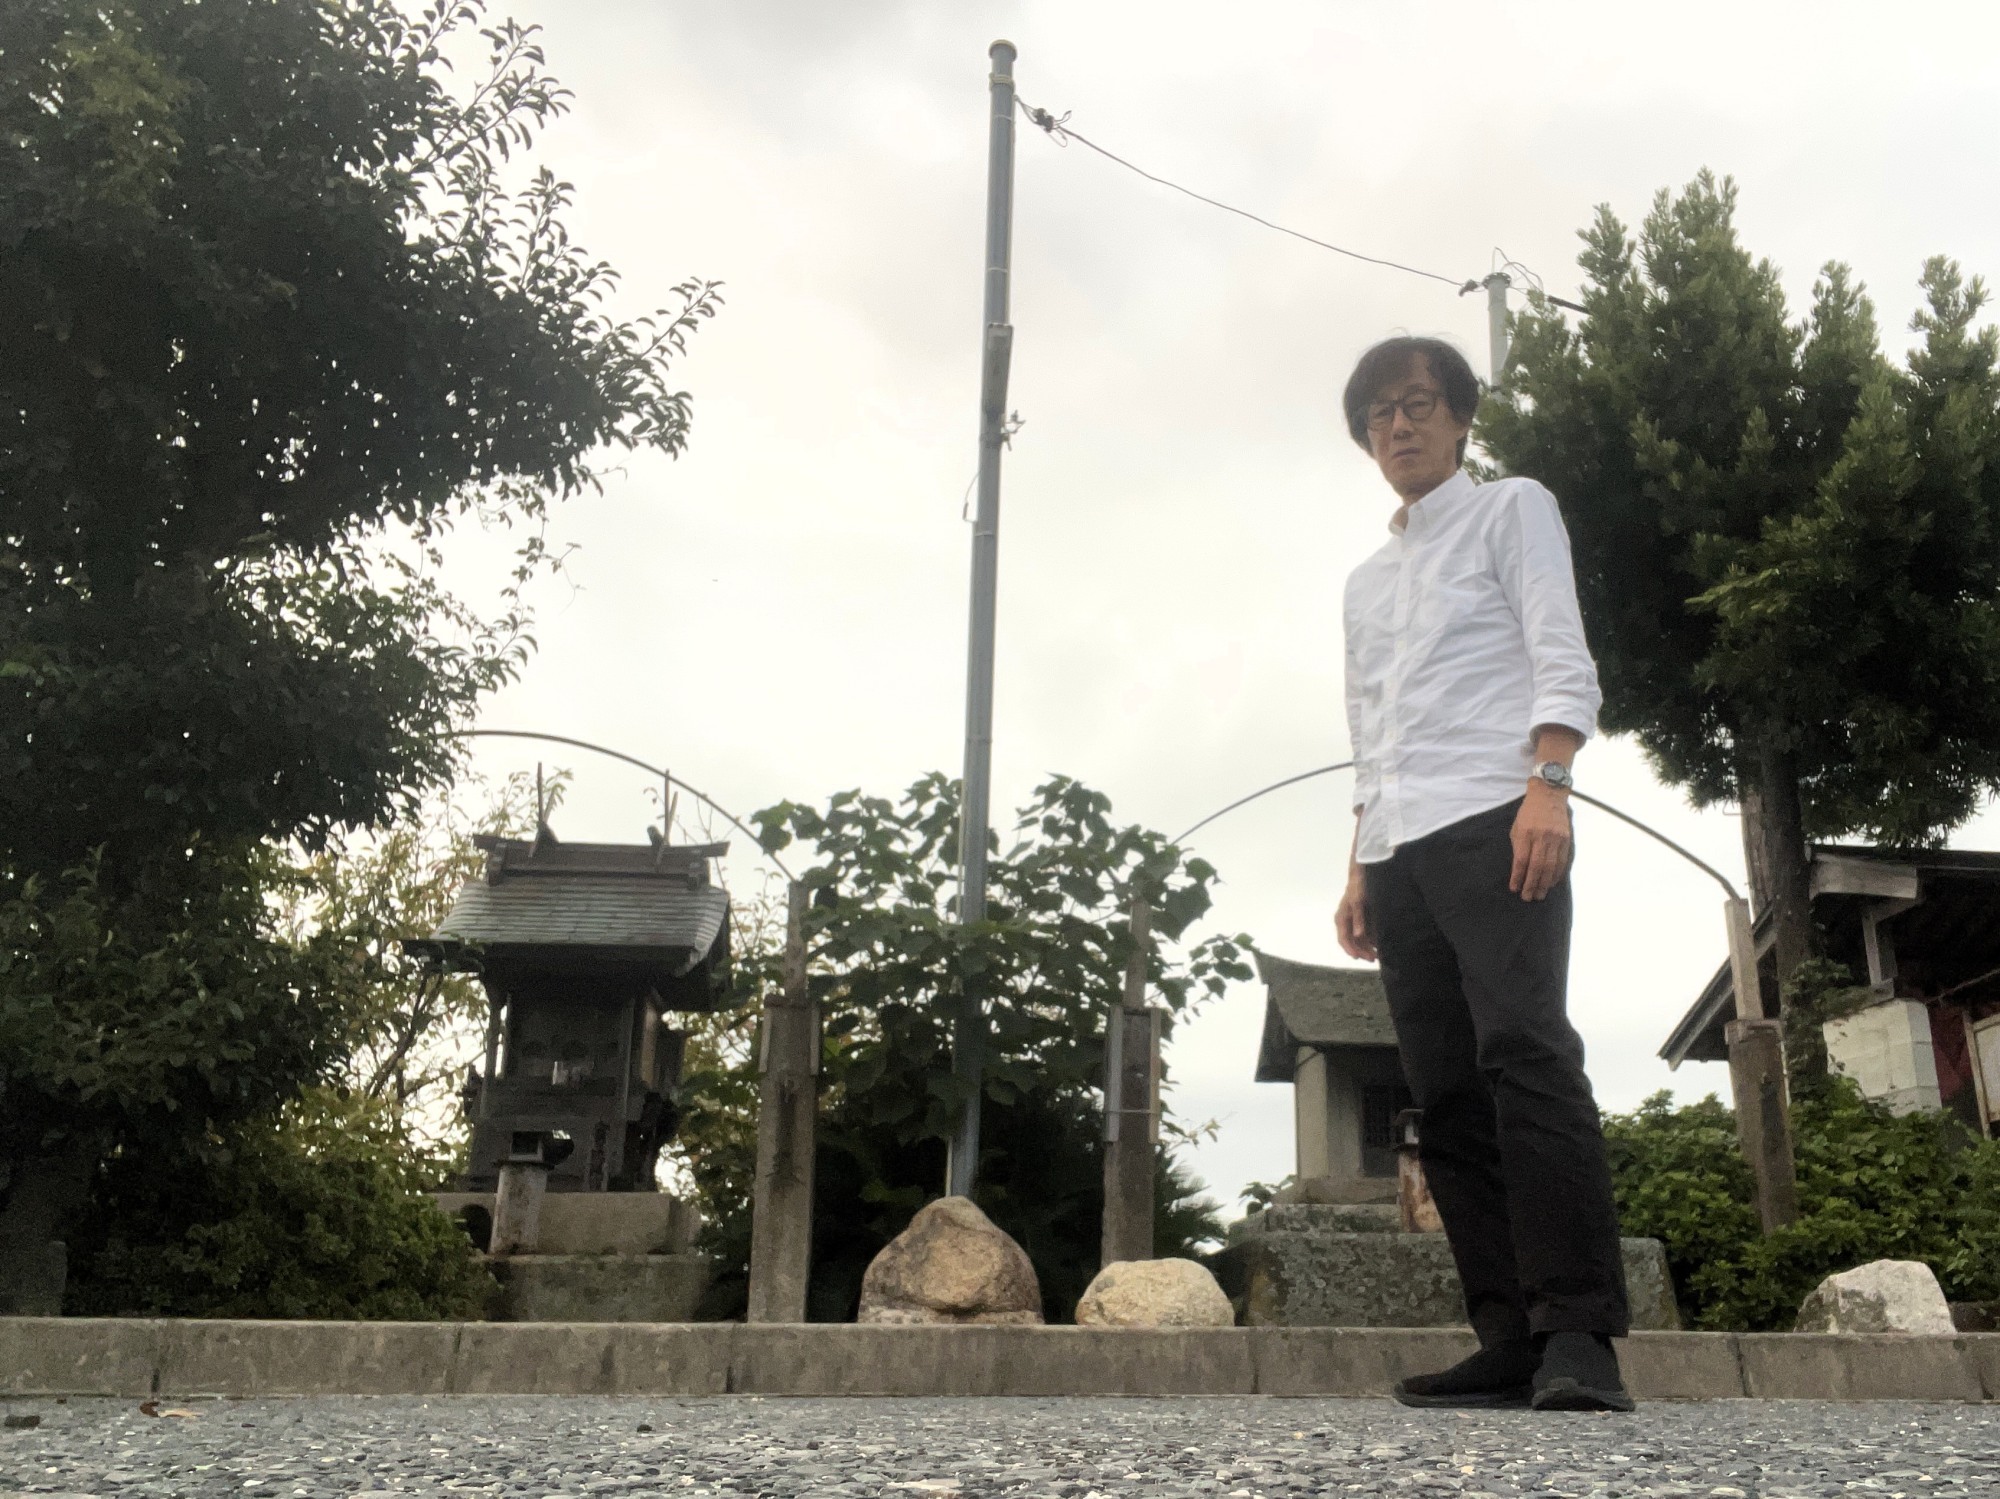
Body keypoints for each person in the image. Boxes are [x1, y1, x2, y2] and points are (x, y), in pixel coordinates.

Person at [1333, 335, 1633, 1413]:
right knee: (1446, 1091)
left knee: (1526, 1054)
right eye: (1378, 413)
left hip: (1498, 817)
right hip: (1397, 847)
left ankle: (1578, 1333)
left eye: (1417, 403)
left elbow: (1560, 647)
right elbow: (1368, 728)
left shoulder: (1513, 508)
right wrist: (1358, 862)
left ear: (1459, 418)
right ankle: (1507, 1335)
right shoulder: (1364, 584)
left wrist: (1548, 782)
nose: (1397, 425)